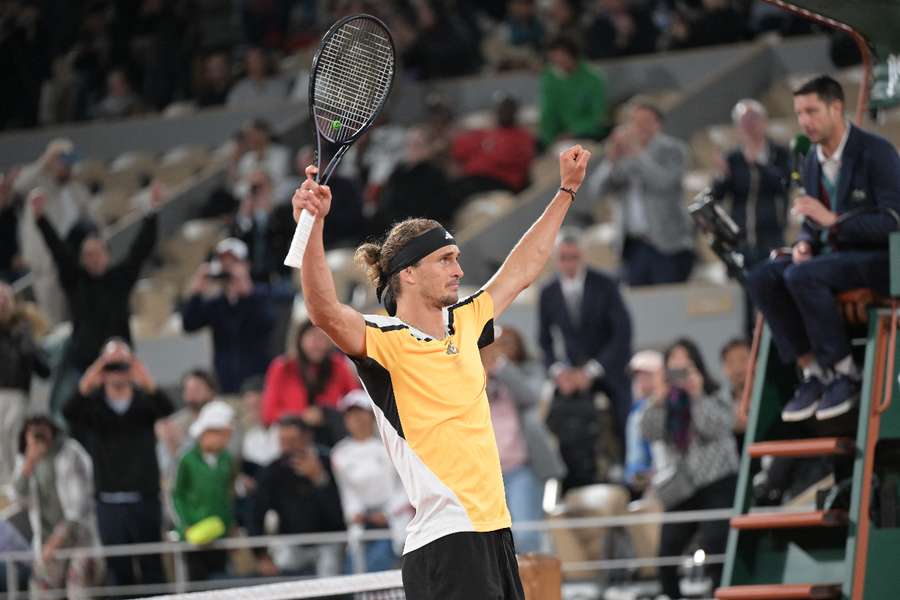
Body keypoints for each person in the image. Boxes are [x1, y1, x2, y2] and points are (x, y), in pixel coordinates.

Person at [290, 141, 591, 598]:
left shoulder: (466, 321)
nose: (458, 268)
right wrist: (311, 227)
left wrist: (566, 190)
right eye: (445, 260)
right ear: (408, 274)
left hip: (494, 534)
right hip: (447, 543)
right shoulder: (383, 342)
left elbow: (522, 269)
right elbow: (324, 310)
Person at [746, 75, 900, 422]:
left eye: (812, 111)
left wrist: (834, 221)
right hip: (830, 260)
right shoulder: (811, 159)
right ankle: (814, 371)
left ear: (836, 108)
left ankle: (846, 371)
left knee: (803, 276)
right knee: (761, 278)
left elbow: (894, 221)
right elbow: (810, 222)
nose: (804, 121)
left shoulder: (876, 152)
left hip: (877, 260)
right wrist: (803, 240)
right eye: (799, 113)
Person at [31, 183, 161, 419]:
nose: (94, 259)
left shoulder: (120, 278)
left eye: (99, 252)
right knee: (63, 410)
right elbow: (59, 252)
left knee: (132, 410)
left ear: (107, 254)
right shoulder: (75, 280)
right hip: (82, 361)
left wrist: (151, 213)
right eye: (88, 255)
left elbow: (141, 249)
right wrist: (41, 219)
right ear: (81, 259)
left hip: (119, 362)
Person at [62, 339, 174, 589]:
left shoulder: (144, 403)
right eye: (111, 366)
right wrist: (95, 372)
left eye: (121, 365)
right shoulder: (95, 406)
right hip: (109, 500)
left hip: (145, 497)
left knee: (152, 567)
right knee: (118, 571)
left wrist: (142, 376)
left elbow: (167, 407)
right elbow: (68, 411)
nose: (117, 372)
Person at [639, 338, 738, 598]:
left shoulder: (714, 393)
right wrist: (659, 398)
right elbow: (649, 431)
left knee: (717, 540)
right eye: (674, 369)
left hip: (718, 479)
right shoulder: (667, 401)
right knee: (667, 548)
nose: (680, 375)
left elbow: (715, 427)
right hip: (684, 485)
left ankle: (720, 593)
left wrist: (696, 394)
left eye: (686, 367)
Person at [539, 230, 633, 485]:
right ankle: (569, 475)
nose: (569, 263)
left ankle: (626, 469)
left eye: (574, 257)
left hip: (608, 367)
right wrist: (558, 371)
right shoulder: (548, 292)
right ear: (556, 260)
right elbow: (544, 341)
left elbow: (622, 333)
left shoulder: (605, 284)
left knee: (623, 411)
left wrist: (592, 371)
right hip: (570, 372)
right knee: (554, 417)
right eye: (563, 258)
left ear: (583, 257)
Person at [587, 99, 695, 286]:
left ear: (658, 125)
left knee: (666, 303)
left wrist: (637, 153)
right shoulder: (623, 154)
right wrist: (611, 160)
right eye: (635, 122)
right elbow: (596, 190)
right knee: (639, 307)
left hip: (667, 245)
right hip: (633, 246)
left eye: (645, 121)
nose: (639, 127)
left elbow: (665, 183)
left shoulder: (673, 150)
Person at [481, 325, 565, 554]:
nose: (499, 349)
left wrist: (502, 367)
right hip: (486, 473)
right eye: (493, 345)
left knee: (526, 535)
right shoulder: (474, 373)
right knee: (494, 540)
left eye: (506, 344)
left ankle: (533, 586)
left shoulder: (529, 371)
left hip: (522, 468)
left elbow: (531, 396)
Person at [711, 99, 791, 335]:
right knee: (746, 301)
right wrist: (721, 176)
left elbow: (784, 184)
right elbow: (718, 195)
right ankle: (751, 349)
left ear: (764, 122)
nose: (749, 126)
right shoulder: (733, 158)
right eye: (743, 122)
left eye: (753, 120)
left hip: (772, 237)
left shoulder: (780, 153)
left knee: (774, 296)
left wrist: (759, 164)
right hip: (742, 240)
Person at [12, 415, 102, 598]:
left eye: (41, 430)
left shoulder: (71, 452)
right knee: (41, 592)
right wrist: (29, 464)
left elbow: (78, 509)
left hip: (78, 538)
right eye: (32, 431)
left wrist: (55, 542)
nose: (37, 435)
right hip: (45, 542)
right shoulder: (25, 459)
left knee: (78, 591)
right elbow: (17, 498)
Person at [250, 416, 345, 578]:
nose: (287, 447)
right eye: (282, 441)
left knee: (330, 579)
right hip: (291, 543)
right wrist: (261, 555)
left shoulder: (329, 462)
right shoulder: (272, 470)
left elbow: (339, 513)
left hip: (329, 542)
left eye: (292, 441)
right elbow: (255, 512)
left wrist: (319, 479)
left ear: (307, 437)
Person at [14, 139, 95, 324]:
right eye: (61, 162)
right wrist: (45, 160)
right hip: (47, 263)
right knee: (52, 319)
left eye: (68, 163)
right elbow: (18, 185)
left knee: (78, 316)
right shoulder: (38, 186)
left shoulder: (77, 190)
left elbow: (92, 222)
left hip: (75, 262)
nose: (65, 168)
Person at [181, 237, 276, 394]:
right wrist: (197, 291)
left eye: (233, 262)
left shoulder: (262, 294)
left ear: (246, 265)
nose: (228, 267)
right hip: (226, 380)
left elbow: (268, 323)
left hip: (258, 379)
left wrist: (247, 292)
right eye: (223, 262)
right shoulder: (216, 303)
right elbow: (189, 324)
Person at [331, 390, 411, 573]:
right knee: (354, 571)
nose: (356, 419)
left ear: (371, 415)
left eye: (361, 413)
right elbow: (347, 491)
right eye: (350, 415)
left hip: (394, 523)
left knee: (382, 569)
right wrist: (355, 514)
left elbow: (405, 487)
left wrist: (388, 513)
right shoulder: (340, 453)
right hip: (361, 526)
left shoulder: (392, 445)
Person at [261, 320, 358, 447]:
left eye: (324, 338)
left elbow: (356, 401)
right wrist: (302, 416)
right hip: (291, 437)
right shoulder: (282, 368)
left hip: (331, 437)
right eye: (314, 337)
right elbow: (269, 413)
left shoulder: (338, 366)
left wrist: (328, 414)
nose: (320, 344)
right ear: (301, 338)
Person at [172, 400, 236, 581]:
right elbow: (176, 494)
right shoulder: (186, 460)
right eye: (222, 434)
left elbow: (228, 494)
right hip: (194, 536)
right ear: (206, 432)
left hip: (219, 533)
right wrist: (185, 525)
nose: (225, 440)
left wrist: (230, 524)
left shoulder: (226, 459)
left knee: (221, 580)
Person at [0, 282, 50, 485]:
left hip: (17, 394)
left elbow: (43, 368)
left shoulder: (22, 330)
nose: (1, 302)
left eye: (4, 298)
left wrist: (25, 340)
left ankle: (17, 485)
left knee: (15, 437)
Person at [450, 94, 535, 204]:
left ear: (514, 112)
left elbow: (511, 160)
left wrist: (486, 156)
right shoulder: (487, 133)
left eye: (507, 108)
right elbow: (459, 150)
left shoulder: (522, 137)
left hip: (501, 181)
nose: (503, 112)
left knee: (458, 190)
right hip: (476, 178)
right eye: (500, 108)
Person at [538, 36, 608, 149]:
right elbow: (548, 112)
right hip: (558, 137)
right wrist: (548, 138)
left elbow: (598, 117)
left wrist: (573, 132)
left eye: (562, 59)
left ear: (573, 56)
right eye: (555, 61)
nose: (559, 64)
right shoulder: (549, 78)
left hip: (587, 135)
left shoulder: (593, 78)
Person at [623, 350, 663, 494]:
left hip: (666, 485)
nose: (642, 381)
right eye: (638, 377)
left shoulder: (666, 407)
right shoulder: (636, 412)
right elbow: (634, 459)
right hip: (642, 488)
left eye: (647, 376)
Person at [720, 337, 750, 450]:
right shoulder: (719, 403)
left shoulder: (768, 399)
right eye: (730, 362)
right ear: (724, 369)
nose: (737, 368)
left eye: (743, 359)